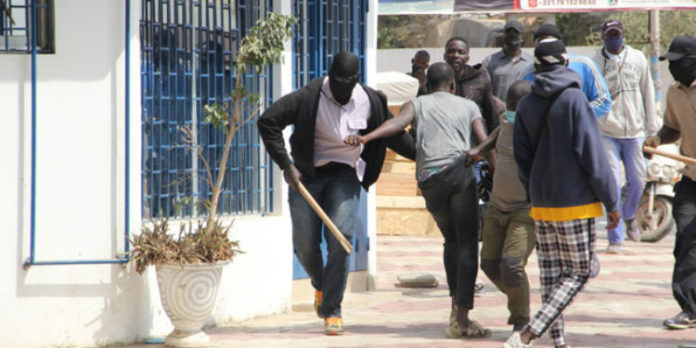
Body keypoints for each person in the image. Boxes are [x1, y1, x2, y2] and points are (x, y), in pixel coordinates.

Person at [256, 51, 416, 336]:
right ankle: (321, 284)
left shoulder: (371, 100)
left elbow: (392, 135)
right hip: (308, 174)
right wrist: (286, 165)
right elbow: (268, 121)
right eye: (338, 80)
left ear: (357, 78)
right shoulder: (309, 96)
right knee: (305, 244)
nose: (343, 87)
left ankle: (332, 308)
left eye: (349, 81)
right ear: (330, 74)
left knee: (340, 240)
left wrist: (426, 155)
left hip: (346, 174)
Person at [344, 62, 493, 339]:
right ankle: (461, 319)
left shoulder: (417, 103)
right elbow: (484, 142)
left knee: (451, 239)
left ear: (428, 85)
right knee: (468, 244)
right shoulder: (469, 106)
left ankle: (454, 309)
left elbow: (397, 124)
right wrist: (490, 165)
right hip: (459, 175)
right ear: (452, 85)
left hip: (429, 180)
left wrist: (366, 138)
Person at [505, 40, 620, 348]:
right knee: (580, 273)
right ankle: (530, 332)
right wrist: (612, 201)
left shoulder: (526, 104)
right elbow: (593, 156)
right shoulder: (575, 99)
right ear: (566, 64)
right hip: (576, 203)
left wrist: (536, 191)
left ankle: (559, 343)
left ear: (538, 67)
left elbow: (522, 158)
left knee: (552, 278)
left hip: (542, 204)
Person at [466, 80, 536, 333]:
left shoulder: (540, 131)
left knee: (512, 265)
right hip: (497, 205)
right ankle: (521, 299)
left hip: (525, 210)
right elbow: (495, 134)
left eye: (516, 106)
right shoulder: (507, 122)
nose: (511, 110)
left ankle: (521, 320)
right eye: (509, 105)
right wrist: (477, 150)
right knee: (490, 264)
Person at [593, 19, 659, 252]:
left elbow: (648, 92)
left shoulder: (638, 58)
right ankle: (615, 236)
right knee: (611, 181)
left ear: (623, 35)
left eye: (617, 34)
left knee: (638, 180)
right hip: (607, 131)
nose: (614, 39)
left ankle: (629, 215)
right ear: (603, 37)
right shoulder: (596, 63)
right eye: (610, 35)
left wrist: (653, 130)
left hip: (635, 130)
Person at [644, 35, 696, 330]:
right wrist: (657, 138)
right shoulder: (675, 92)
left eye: (679, 63)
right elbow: (672, 128)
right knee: (686, 239)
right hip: (691, 177)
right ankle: (691, 308)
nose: (674, 70)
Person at [521, 23, 612, 119]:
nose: (548, 47)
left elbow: (604, 100)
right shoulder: (526, 74)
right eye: (542, 43)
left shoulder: (584, 64)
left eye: (552, 42)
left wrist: (575, 114)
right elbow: (520, 109)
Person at [444, 36, 503, 134]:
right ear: (445, 56)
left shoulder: (479, 79)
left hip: (473, 138)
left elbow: (491, 116)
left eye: (461, 52)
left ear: (467, 58)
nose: (455, 55)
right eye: (451, 51)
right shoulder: (437, 77)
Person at [482, 20, 533, 103]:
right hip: (498, 111)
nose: (512, 36)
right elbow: (484, 89)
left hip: (523, 110)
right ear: (503, 36)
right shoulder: (490, 61)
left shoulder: (531, 62)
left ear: (522, 38)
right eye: (509, 33)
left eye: (516, 34)